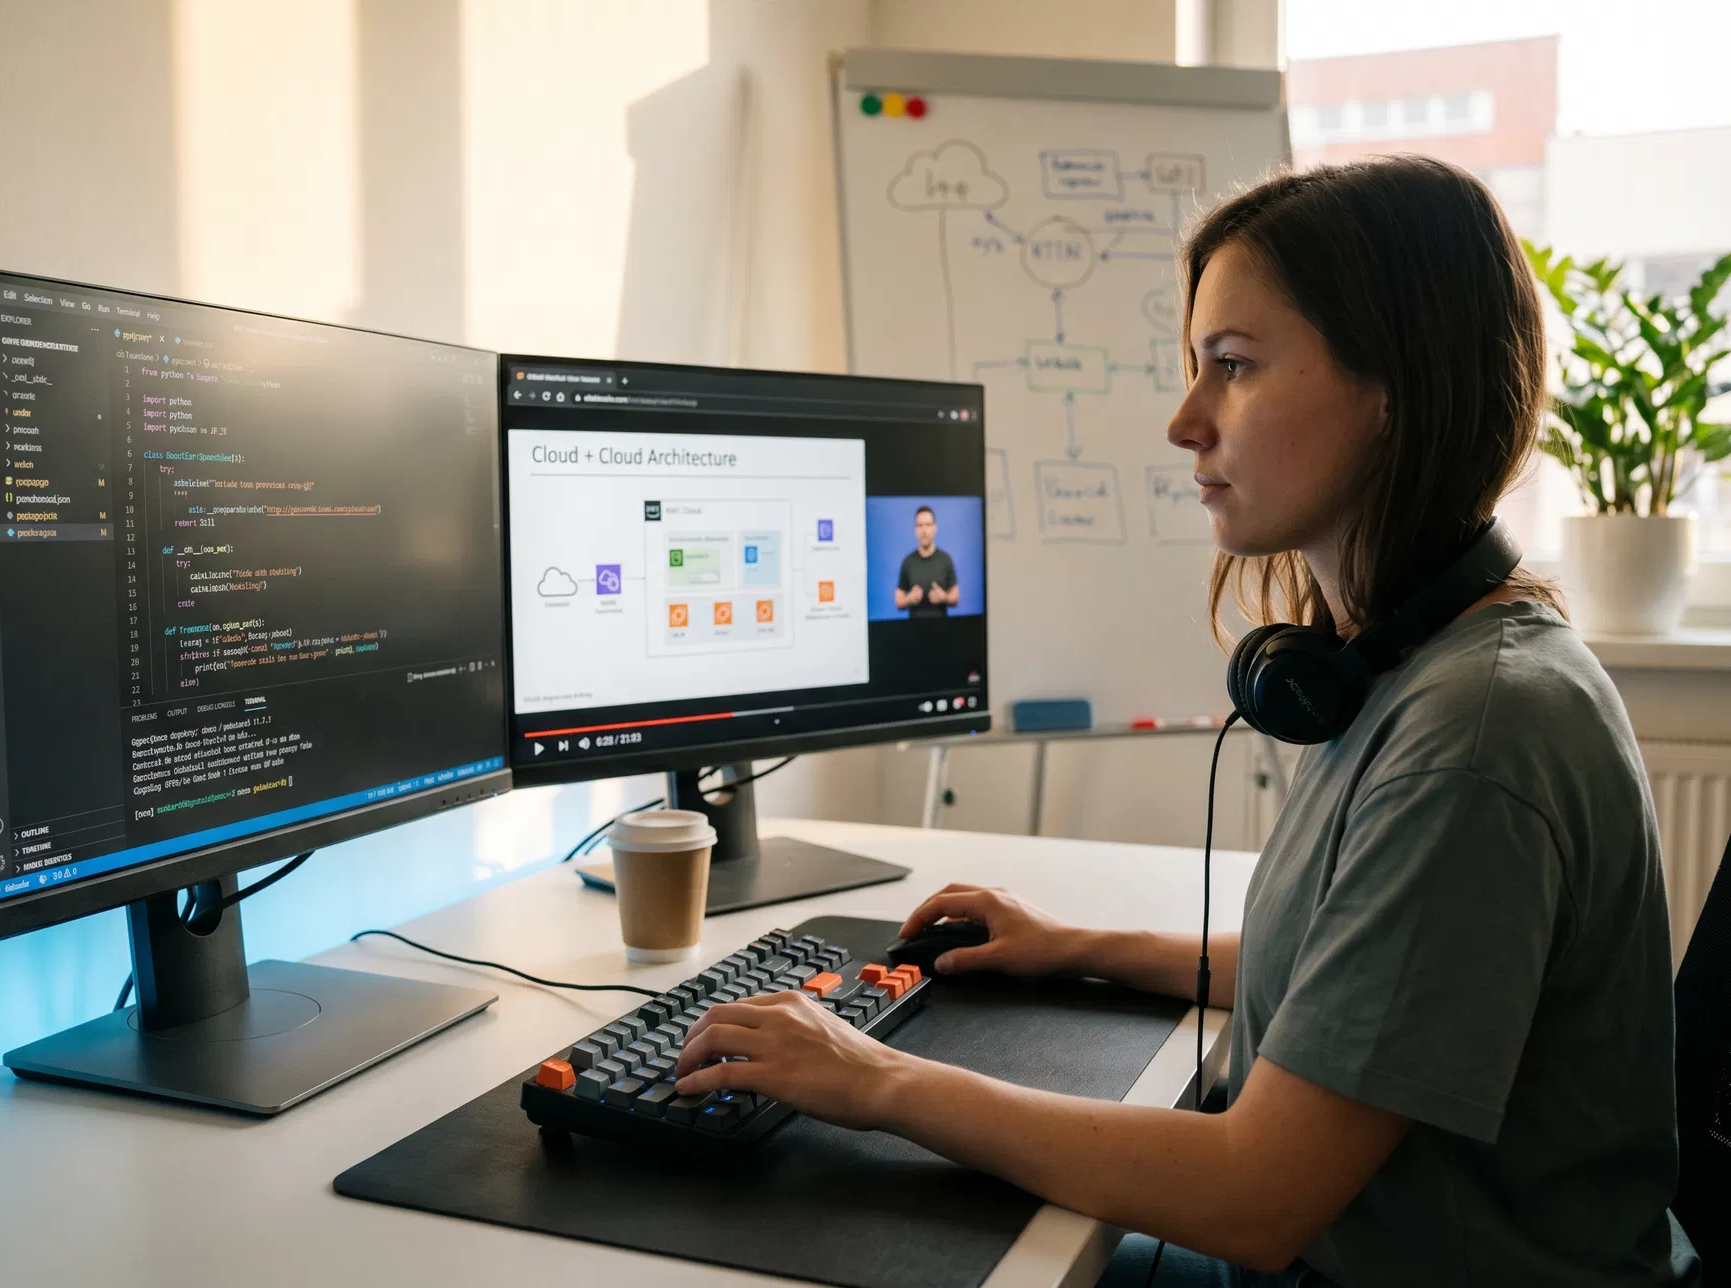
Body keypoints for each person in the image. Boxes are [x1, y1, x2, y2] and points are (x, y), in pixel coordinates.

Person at [674, 157, 1699, 1286]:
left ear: (1391, 388)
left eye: (1235, 368)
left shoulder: (1472, 737)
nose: (1184, 421)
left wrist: (874, 1080)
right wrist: (1075, 947)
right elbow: (1351, 976)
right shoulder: (1414, 666)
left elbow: (1254, 1195)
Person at [895, 504, 959, 616]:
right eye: (920, 525)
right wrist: (909, 599)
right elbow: (898, 601)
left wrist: (944, 597)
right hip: (914, 630)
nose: (924, 530)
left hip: (941, 630)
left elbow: (955, 597)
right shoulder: (908, 562)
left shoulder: (945, 560)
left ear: (935, 529)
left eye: (928, 525)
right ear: (915, 530)